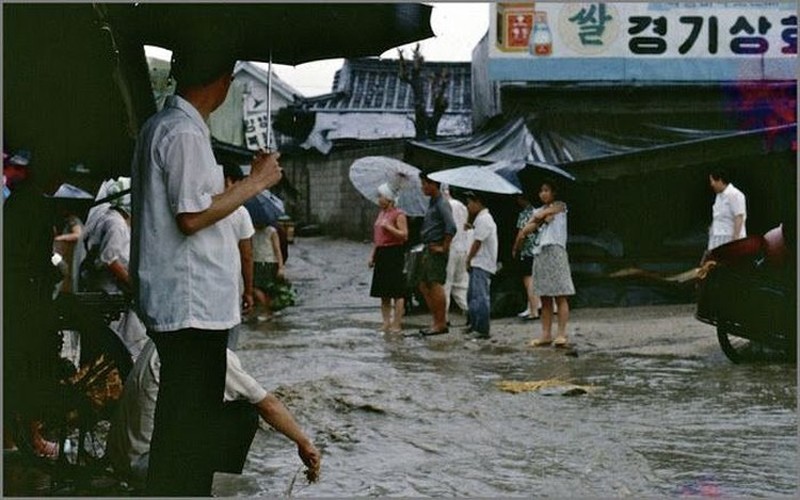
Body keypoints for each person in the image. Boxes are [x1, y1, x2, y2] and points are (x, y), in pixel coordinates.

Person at [130, 44, 284, 496]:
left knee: (182, 422)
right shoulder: (182, 133)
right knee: (189, 426)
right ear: (221, 81)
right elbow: (192, 215)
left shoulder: (168, 128)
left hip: (186, 301)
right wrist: (257, 182)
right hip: (191, 304)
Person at [107, 340, 321, 492]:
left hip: (123, 460)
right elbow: (269, 406)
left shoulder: (161, 341)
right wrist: (303, 442)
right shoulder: (207, 352)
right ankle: (219, 490)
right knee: (243, 413)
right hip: (150, 468)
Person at [520, 178, 575, 348]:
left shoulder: (561, 206)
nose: (543, 193)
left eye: (547, 190)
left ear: (553, 192)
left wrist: (542, 216)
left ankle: (561, 333)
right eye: (541, 191)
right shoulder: (539, 210)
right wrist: (542, 217)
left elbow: (549, 212)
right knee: (544, 297)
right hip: (541, 252)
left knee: (560, 294)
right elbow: (526, 229)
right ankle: (546, 334)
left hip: (556, 250)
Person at [417, 173, 457, 336]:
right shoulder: (432, 203)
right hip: (428, 247)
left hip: (436, 248)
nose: (423, 187)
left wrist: (444, 247)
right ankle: (436, 320)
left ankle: (440, 323)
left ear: (433, 184)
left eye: (425, 184)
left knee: (435, 284)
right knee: (424, 284)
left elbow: (451, 227)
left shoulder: (441, 203)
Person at [223, 163, 256, 349]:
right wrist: (249, 291)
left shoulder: (200, 209)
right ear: (229, 181)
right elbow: (247, 256)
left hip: (203, 293)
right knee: (229, 352)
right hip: (231, 290)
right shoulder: (240, 213)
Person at [368, 182, 409, 334]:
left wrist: (390, 228)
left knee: (397, 291)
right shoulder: (381, 214)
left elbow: (404, 235)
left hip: (394, 252)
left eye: (381, 196)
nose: (379, 199)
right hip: (382, 253)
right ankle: (386, 322)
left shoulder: (399, 214)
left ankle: (396, 323)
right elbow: (377, 238)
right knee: (383, 291)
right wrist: (372, 255)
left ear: (389, 199)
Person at [464, 191, 498, 339]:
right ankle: (474, 324)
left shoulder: (484, 219)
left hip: (481, 262)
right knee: (472, 295)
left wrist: (468, 259)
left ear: (478, 202)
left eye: (470, 202)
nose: (468, 205)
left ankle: (482, 328)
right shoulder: (480, 219)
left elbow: (478, 242)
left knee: (480, 296)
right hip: (478, 261)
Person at [441, 184, 470, 325]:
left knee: (446, 284)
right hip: (462, 248)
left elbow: (447, 228)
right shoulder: (463, 207)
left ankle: (443, 317)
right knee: (461, 284)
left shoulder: (445, 206)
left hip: (450, 247)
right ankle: (469, 310)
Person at [511, 193, 541, 321]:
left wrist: (516, 248)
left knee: (528, 280)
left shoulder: (524, 214)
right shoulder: (538, 212)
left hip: (527, 251)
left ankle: (534, 311)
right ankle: (532, 306)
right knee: (536, 278)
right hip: (538, 249)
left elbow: (521, 235)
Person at [706, 169, 747, 256]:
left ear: (720, 180)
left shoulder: (735, 194)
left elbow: (739, 217)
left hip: (729, 238)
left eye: (712, 181)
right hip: (718, 238)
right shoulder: (719, 196)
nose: (711, 184)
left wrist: (735, 241)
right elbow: (718, 217)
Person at [252, 220, 285, 322]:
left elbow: (277, 249)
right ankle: (266, 310)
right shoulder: (252, 231)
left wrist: (280, 267)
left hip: (269, 262)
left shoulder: (271, 231)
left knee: (264, 288)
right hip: (256, 262)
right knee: (256, 288)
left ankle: (267, 311)